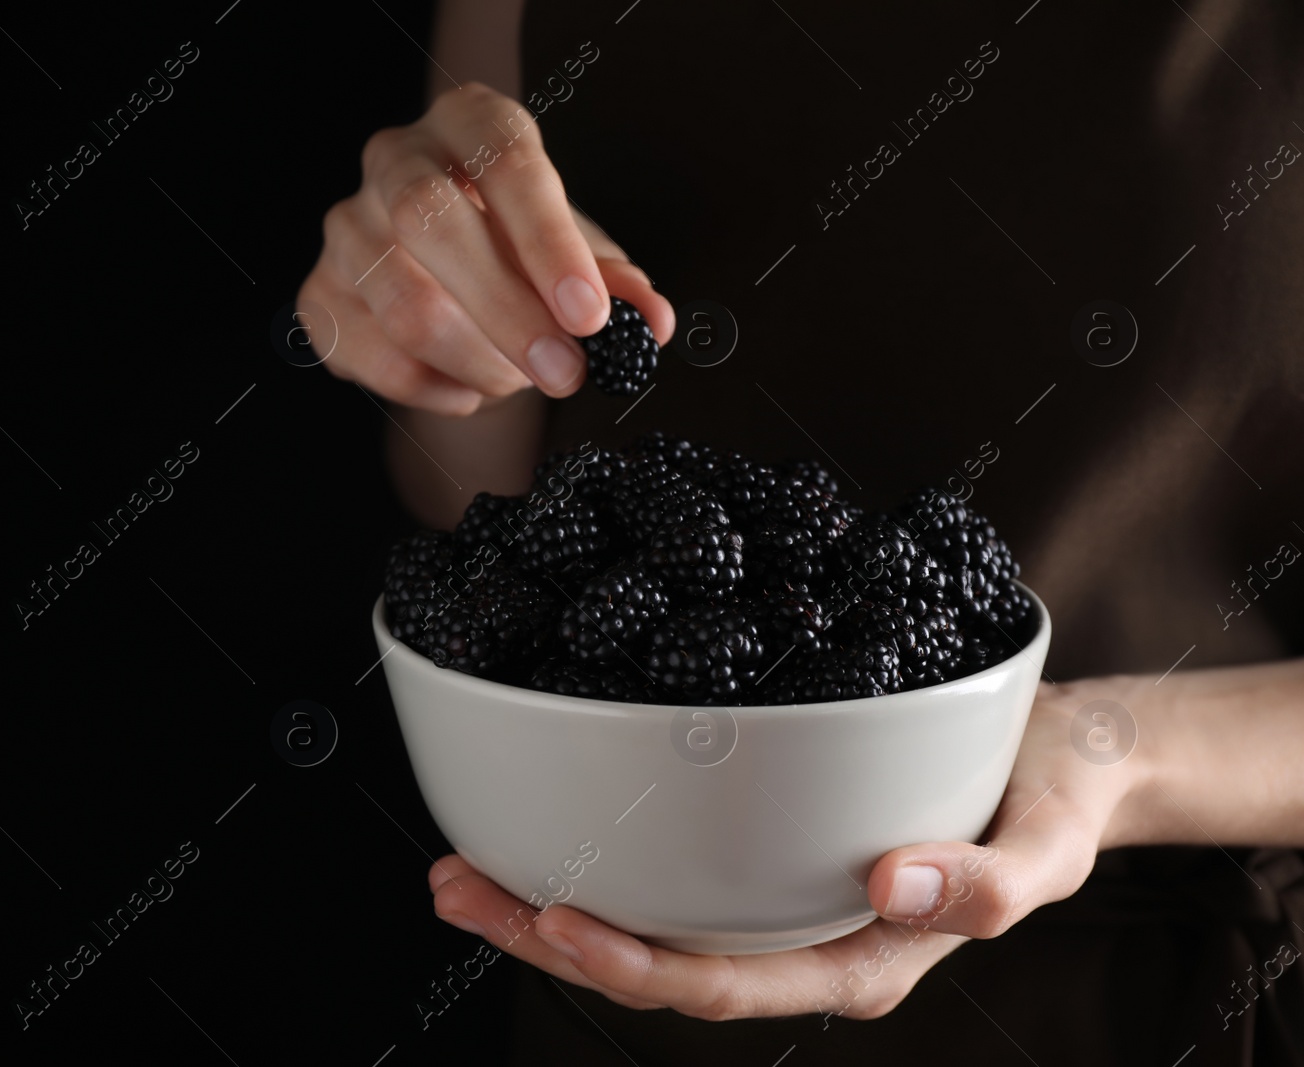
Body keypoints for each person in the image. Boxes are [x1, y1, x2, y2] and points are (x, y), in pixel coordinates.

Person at [298, 1, 1304, 1062]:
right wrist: (432, 297)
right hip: (625, 971)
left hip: (1162, 1003)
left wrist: (1115, 754)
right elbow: (465, 481)